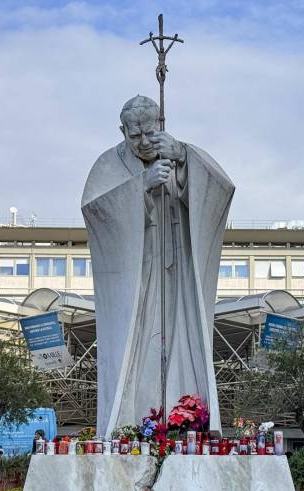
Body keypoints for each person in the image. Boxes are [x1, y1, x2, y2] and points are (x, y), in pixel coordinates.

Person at [81, 95, 235, 438]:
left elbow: (221, 190)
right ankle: (131, 423)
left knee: (182, 332)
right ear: (122, 131)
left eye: (150, 133)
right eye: (134, 136)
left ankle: (186, 418)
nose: (144, 142)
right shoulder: (108, 164)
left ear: (160, 124)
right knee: (138, 342)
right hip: (137, 273)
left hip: (177, 269)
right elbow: (95, 210)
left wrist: (183, 162)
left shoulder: (182, 153)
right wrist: (141, 187)